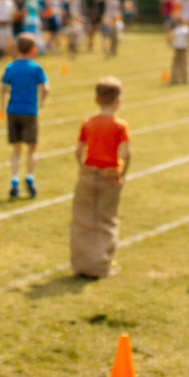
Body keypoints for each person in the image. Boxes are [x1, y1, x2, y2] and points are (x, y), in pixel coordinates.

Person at [70, 76, 131, 279]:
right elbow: (125, 153)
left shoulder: (88, 123)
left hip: (89, 175)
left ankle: (81, 264)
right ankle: (102, 266)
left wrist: (85, 170)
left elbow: (79, 151)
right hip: (110, 176)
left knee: (82, 220)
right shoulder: (120, 126)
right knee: (106, 221)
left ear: (96, 99)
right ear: (118, 100)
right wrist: (122, 174)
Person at [0, 32, 49, 199]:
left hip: (13, 110)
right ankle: (30, 177)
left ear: (16, 49)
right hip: (30, 111)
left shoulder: (10, 67)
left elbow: (3, 88)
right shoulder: (36, 68)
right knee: (31, 149)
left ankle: (14, 179)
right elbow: (46, 88)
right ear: (34, 49)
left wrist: (2, 107)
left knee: (16, 149)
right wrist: (40, 104)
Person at [168, 17, 189, 85]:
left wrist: (171, 43)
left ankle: (174, 78)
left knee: (176, 64)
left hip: (177, 48)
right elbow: (188, 38)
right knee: (184, 64)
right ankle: (184, 79)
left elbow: (171, 37)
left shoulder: (176, 29)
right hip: (183, 48)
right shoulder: (186, 29)